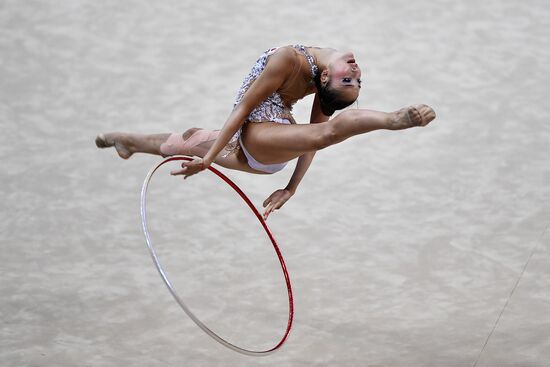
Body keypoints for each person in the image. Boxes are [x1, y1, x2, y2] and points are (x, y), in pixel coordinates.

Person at [96, 44, 436, 219]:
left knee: (326, 132)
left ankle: (392, 120)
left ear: (322, 82)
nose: (356, 70)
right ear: (322, 78)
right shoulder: (299, 62)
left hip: (263, 137)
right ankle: (128, 142)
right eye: (353, 79)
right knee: (188, 139)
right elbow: (246, 110)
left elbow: (315, 135)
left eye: (352, 80)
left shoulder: (293, 61)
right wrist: (211, 155)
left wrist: (291, 187)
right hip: (260, 142)